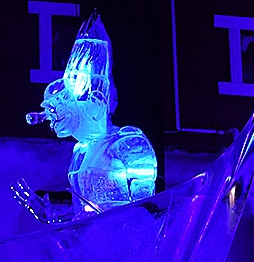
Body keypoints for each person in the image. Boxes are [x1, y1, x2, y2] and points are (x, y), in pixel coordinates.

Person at [12, 13, 156, 220]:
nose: (50, 117)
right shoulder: (80, 152)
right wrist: (51, 214)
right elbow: (83, 215)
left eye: (60, 104)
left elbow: (143, 210)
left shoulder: (128, 142)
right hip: (94, 238)